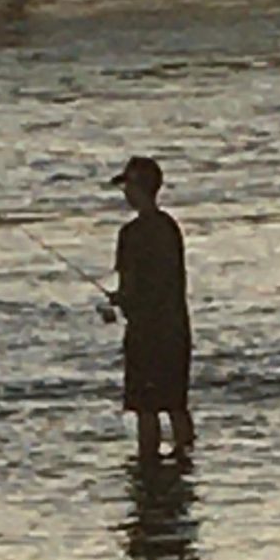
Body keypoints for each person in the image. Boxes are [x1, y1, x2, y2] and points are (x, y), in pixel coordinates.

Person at [108, 156, 195, 459]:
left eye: (128, 186)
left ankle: (149, 468)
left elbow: (130, 290)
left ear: (138, 188)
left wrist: (117, 302)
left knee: (147, 411)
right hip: (176, 330)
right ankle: (185, 461)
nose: (125, 193)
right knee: (176, 406)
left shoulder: (130, 235)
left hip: (146, 334)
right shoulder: (170, 228)